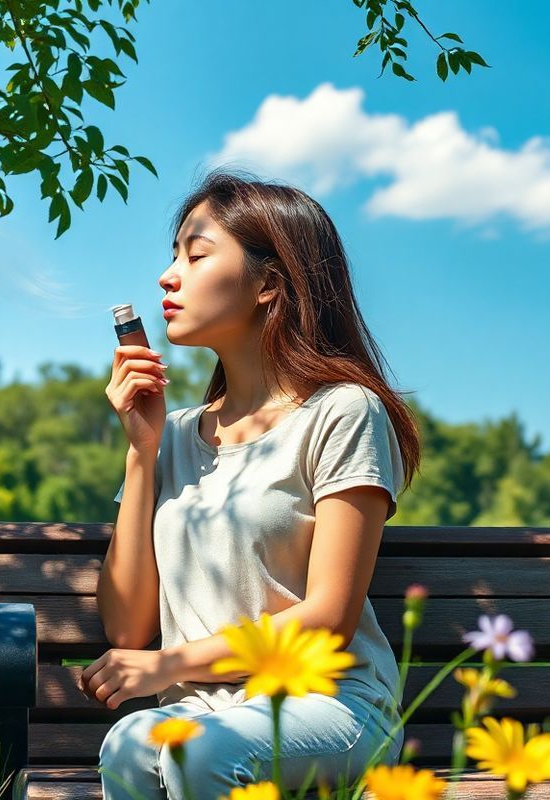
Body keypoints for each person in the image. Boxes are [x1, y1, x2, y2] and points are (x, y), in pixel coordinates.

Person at [85, 168, 423, 800]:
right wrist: (141, 452)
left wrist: (166, 665)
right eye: (172, 256)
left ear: (268, 283)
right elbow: (126, 630)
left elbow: (327, 623)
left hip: (327, 706)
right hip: (201, 714)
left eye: (196, 253)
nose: (168, 275)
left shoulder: (342, 413)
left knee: (196, 757)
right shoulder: (175, 435)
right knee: (128, 747)